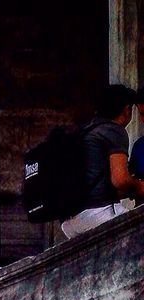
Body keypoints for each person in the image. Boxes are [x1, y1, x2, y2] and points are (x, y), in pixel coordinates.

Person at [60, 84, 144, 239]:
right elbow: (120, 181)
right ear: (127, 109)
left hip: (69, 222)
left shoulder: (85, 132)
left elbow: (112, 186)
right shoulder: (114, 130)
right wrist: (139, 186)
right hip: (98, 212)